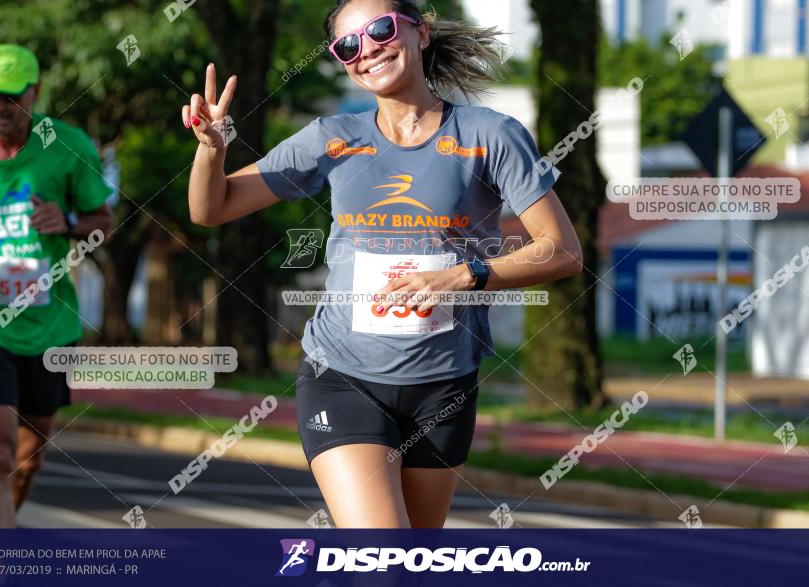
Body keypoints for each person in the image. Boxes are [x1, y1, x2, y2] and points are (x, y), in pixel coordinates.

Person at [185, 0, 582, 528]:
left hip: (445, 383)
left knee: (409, 563)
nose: (366, 49)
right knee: (383, 556)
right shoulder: (334, 136)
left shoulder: (490, 133)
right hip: (342, 374)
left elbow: (562, 250)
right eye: (347, 45)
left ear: (420, 32)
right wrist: (212, 149)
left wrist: (464, 275)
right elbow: (211, 209)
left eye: (380, 30)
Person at [0, 44, 113, 528]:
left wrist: (70, 220)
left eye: (10, 97)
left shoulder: (68, 145)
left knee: (25, 458)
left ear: (34, 92)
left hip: (49, 323)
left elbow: (104, 223)